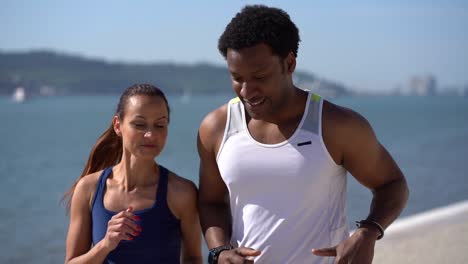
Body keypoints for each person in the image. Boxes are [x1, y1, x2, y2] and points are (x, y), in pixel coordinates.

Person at [197, 5, 409, 264]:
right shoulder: (216, 128)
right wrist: (220, 251)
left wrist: (368, 231)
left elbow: (392, 184)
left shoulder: (336, 125)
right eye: (237, 77)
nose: (246, 90)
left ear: (289, 63)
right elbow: (210, 202)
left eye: (259, 76)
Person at [64, 84, 202, 264]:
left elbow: (193, 258)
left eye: (160, 125)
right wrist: (105, 244)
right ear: (117, 125)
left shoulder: (182, 192)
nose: (151, 135)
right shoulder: (88, 189)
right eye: (139, 125)